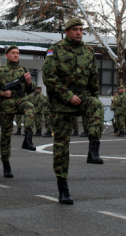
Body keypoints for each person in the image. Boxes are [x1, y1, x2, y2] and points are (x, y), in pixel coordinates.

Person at [42, 18, 104, 205]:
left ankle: (93, 150)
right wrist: (68, 95)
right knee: (61, 146)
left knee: (97, 106)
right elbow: (49, 77)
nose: (79, 32)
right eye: (75, 29)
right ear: (67, 31)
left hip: (83, 96)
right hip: (62, 102)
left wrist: (94, 98)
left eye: (81, 29)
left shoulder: (87, 51)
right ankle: (63, 187)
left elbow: (93, 78)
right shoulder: (56, 50)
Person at [0, 45, 37, 178]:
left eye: (17, 53)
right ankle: (6, 163)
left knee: (30, 107)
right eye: (13, 53)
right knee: (6, 135)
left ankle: (28, 138)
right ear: (7, 55)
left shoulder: (24, 70)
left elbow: (30, 90)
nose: (16, 55)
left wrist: (28, 82)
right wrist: (1, 93)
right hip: (6, 104)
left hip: (20, 100)